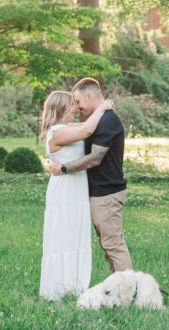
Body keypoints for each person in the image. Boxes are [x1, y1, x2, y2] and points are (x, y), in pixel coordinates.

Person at [48, 78, 132, 274]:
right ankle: (118, 287)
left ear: (89, 95)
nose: (76, 107)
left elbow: (95, 158)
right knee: (108, 246)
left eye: (78, 101)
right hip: (98, 193)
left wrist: (63, 168)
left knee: (113, 245)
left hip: (107, 193)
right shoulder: (96, 120)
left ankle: (129, 290)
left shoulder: (107, 120)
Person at [39, 89, 114, 301]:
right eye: (72, 104)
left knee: (75, 236)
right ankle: (59, 288)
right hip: (64, 191)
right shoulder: (57, 132)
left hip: (76, 188)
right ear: (62, 108)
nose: (76, 107)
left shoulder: (68, 127)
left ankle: (74, 284)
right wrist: (102, 106)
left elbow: (87, 128)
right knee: (63, 236)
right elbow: (88, 130)